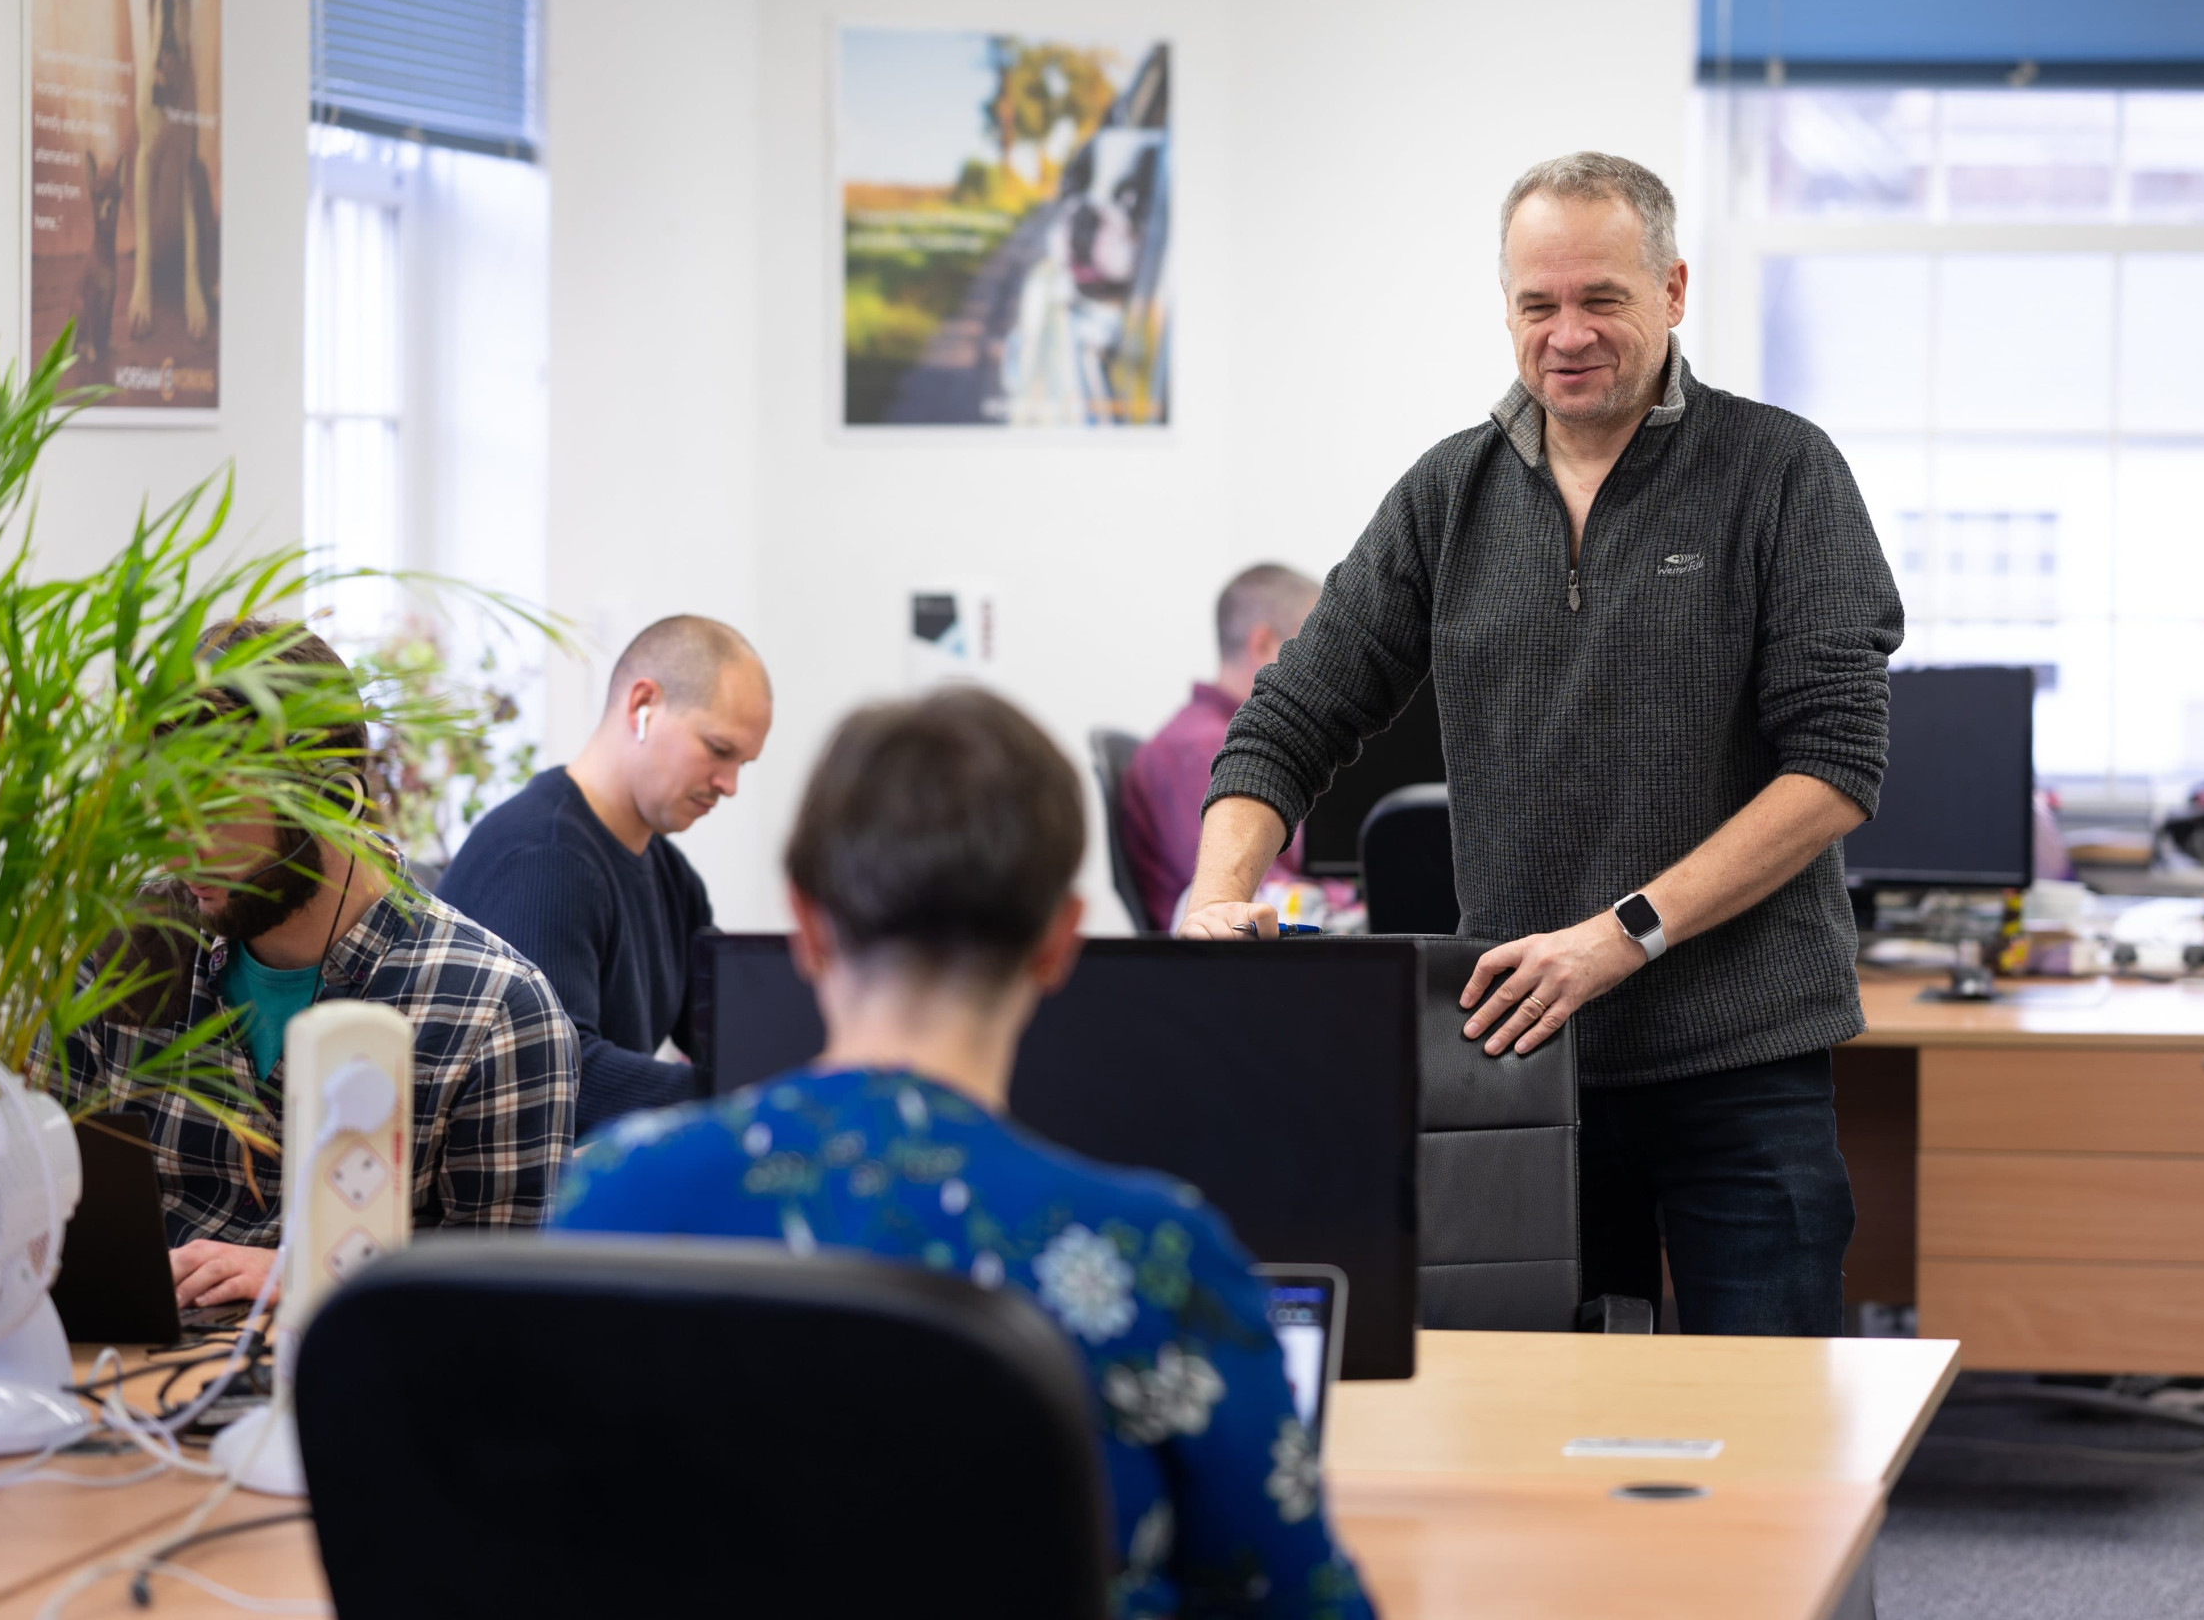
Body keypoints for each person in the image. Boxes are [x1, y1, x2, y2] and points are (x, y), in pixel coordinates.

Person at [1183, 152, 1903, 1337]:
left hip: (1741, 1058)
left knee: (1773, 1440)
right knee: (1542, 1433)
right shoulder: (1449, 495)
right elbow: (1287, 716)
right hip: (1523, 1060)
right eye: (1538, 304)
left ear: (1672, 290)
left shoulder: (1781, 473)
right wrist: (1217, 892)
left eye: (1601, 298)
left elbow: (1833, 766)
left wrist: (1620, 936)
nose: (1567, 333)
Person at [553, 688, 1371, 1618]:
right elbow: (1299, 1600)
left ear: (808, 927)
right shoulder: (1155, 1256)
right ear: (1060, 943)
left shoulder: (611, 1200)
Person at [33, 619, 578, 1308]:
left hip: (345, 1391)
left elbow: (508, 1307)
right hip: (114, 1383)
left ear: (328, 795)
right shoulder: (128, 947)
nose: (176, 853)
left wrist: (320, 1272)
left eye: (209, 810)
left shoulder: (494, 1012)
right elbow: (40, 1209)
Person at [438, 615, 772, 1137]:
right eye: (719, 750)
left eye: (743, 764)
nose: (728, 784)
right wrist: (747, 1101)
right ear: (643, 705)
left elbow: (731, 1032)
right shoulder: (543, 858)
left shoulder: (670, 875)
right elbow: (562, 1076)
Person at [1118, 564, 1357, 931]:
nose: (1325, 667)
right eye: (1313, 650)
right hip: (1221, 970)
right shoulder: (1203, 749)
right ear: (1262, 644)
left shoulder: (1202, 739)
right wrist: (1352, 898)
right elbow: (1258, 898)